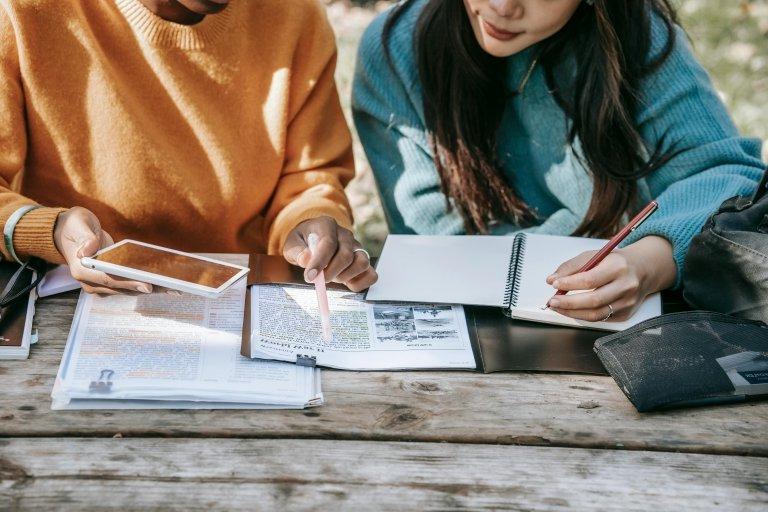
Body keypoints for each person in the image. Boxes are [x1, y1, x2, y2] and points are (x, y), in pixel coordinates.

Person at [353, 0, 764, 322]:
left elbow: (727, 176)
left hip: (627, 327)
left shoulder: (636, 36)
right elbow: (432, 243)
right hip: (467, 327)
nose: (502, 6)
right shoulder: (395, 49)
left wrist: (646, 263)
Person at [0, 0, 377, 294]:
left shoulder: (295, 18)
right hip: (69, 299)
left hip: (243, 294)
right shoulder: (24, 14)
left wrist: (309, 224)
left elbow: (310, 177)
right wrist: (49, 230)